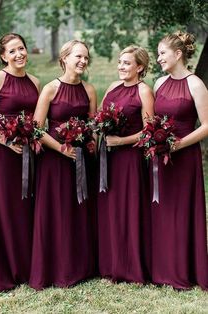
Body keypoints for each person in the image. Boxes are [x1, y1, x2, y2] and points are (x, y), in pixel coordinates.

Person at [29, 39, 97, 289]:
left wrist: (89, 142)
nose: (82, 61)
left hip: (82, 160)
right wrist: (60, 148)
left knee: (79, 211)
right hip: (55, 160)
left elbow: (92, 125)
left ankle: (81, 266)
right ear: (64, 58)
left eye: (86, 58)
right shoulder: (50, 88)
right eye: (78, 56)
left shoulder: (89, 89)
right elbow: (36, 129)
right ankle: (54, 268)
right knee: (56, 212)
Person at [0, 33, 40, 291]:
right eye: (12, 51)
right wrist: (6, 140)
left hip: (26, 153)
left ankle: (22, 266)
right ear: (3, 56)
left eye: (21, 48)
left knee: (23, 208)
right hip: (0, 154)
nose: (19, 54)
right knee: (1, 208)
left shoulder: (35, 82)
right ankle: (0, 269)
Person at [152, 30, 208, 290]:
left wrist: (179, 144)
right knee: (161, 210)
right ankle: (162, 269)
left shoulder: (195, 84)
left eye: (162, 53)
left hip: (185, 157)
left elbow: (207, 125)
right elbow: (152, 122)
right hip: (161, 158)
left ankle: (184, 270)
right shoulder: (158, 84)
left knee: (182, 211)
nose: (158, 57)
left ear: (177, 54)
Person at [98, 45, 154, 283]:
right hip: (107, 157)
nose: (121, 66)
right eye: (120, 62)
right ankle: (110, 263)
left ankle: (131, 267)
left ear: (139, 67)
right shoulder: (112, 87)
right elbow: (99, 117)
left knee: (129, 209)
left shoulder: (144, 91)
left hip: (130, 158)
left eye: (127, 63)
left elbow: (149, 131)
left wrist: (122, 140)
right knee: (109, 209)